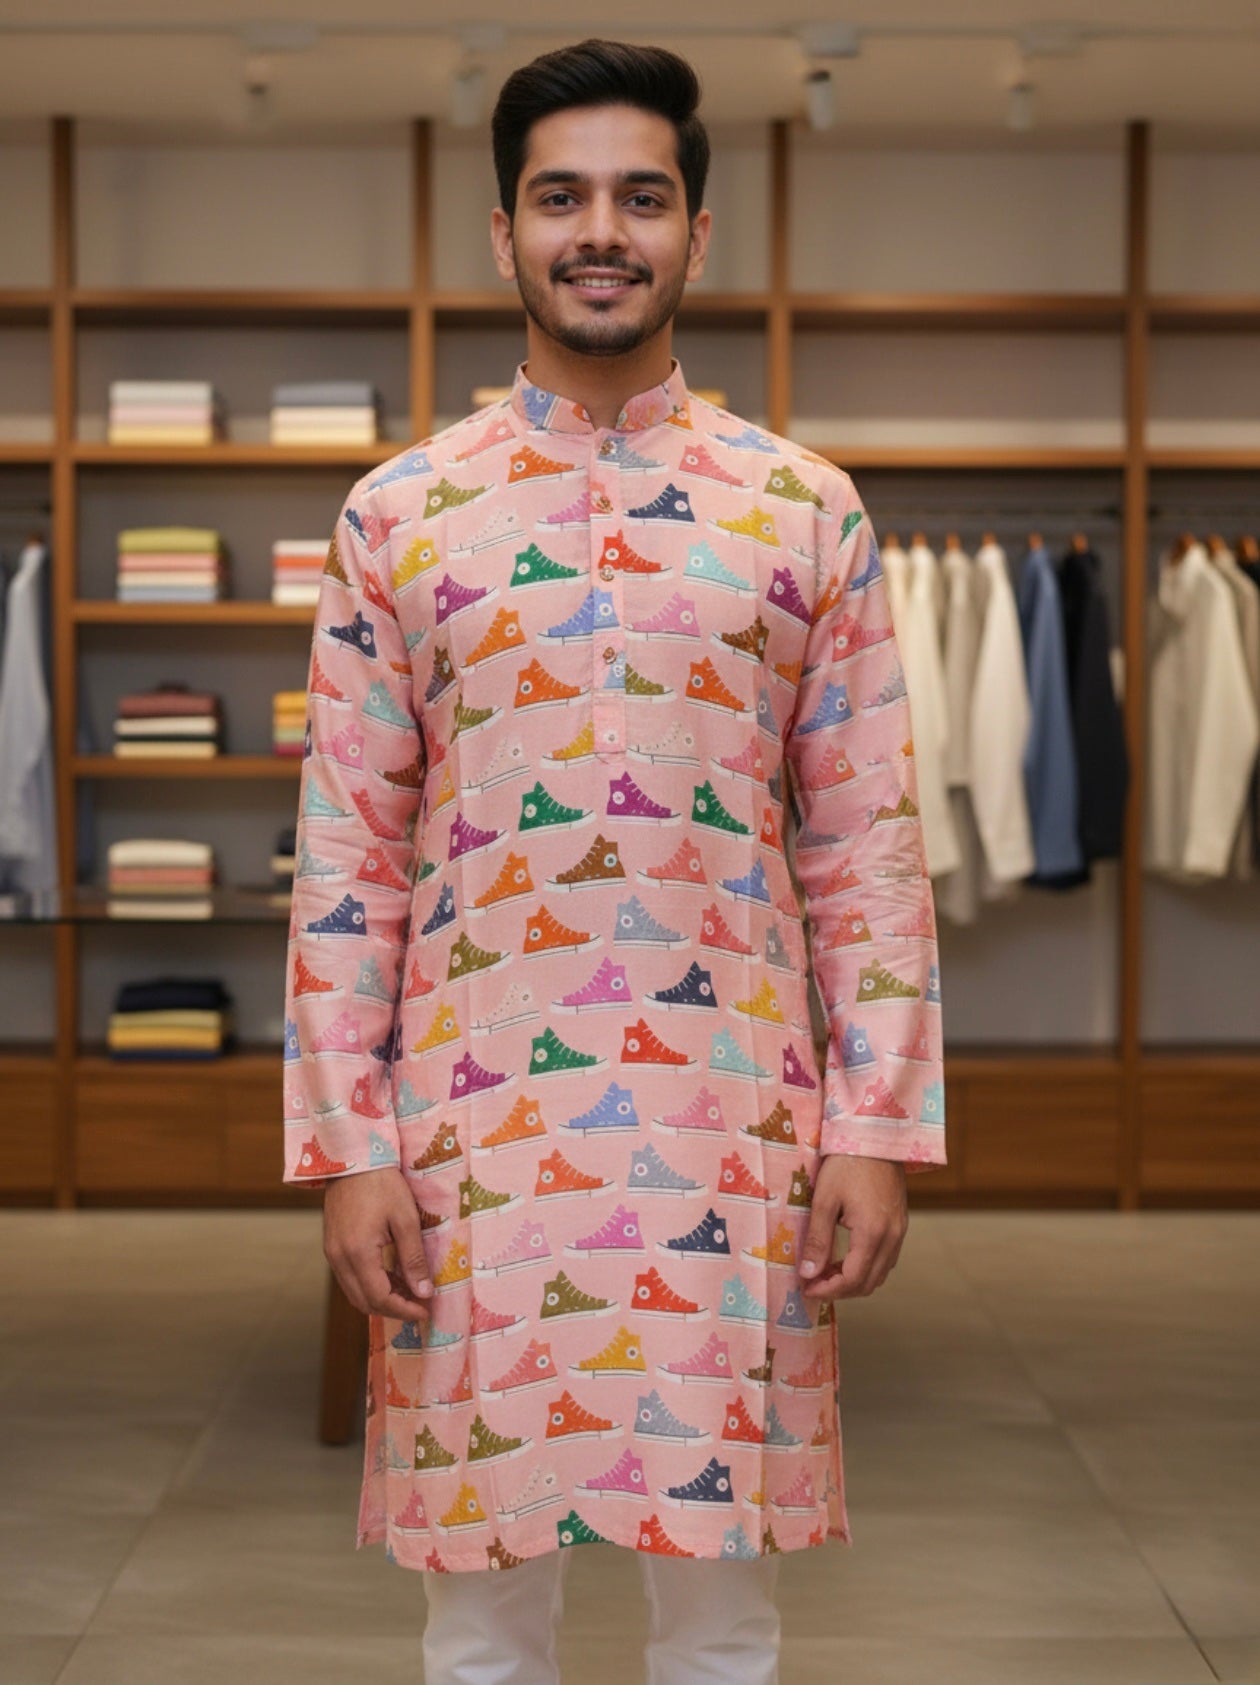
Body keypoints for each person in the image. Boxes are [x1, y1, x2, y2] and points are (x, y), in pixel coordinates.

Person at [282, 36, 947, 1684]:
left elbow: (869, 843)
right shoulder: (401, 516)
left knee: (721, 1606)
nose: (602, 230)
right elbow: (348, 858)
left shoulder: (804, 510)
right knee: (481, 1610)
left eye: (641, 197)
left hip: (733, 1132)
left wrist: (874, 1124)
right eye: (560, 196)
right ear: (503, 234)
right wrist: (349, 1142)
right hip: (468, 1136)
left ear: (695, 236)